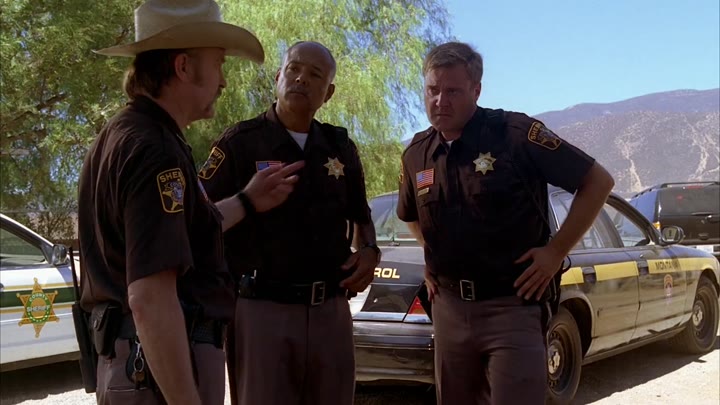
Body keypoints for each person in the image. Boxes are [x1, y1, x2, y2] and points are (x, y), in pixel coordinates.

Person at [77, 1, 304, 404]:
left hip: (138, 367)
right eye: (218, 64)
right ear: (183, 67)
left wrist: (246, 201)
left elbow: (185, 231)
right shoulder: (156, 151)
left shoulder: (124, 134)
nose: (224, 81)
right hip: (158, 372)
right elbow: (151, 298)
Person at [397, 41, 615, 405]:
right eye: (432, 90)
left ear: (477, 90)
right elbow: (410, 216)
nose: (440, 101)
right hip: (449, 309)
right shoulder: (417, 153)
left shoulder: (515, 134)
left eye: (453, 91)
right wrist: (431, 256)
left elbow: (598, 182)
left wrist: (556, 252)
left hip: (512, 307)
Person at [199, 40, 380, 405]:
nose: (301, 79)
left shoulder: (340, 147)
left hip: (330, 310)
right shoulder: (240, 143)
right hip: (262, 311)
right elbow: (200, 221)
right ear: (278, 77)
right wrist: (247, 199)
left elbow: (361, 217)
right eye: (294, 69)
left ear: (328, 93)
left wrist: (370, 251)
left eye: (314, 74)